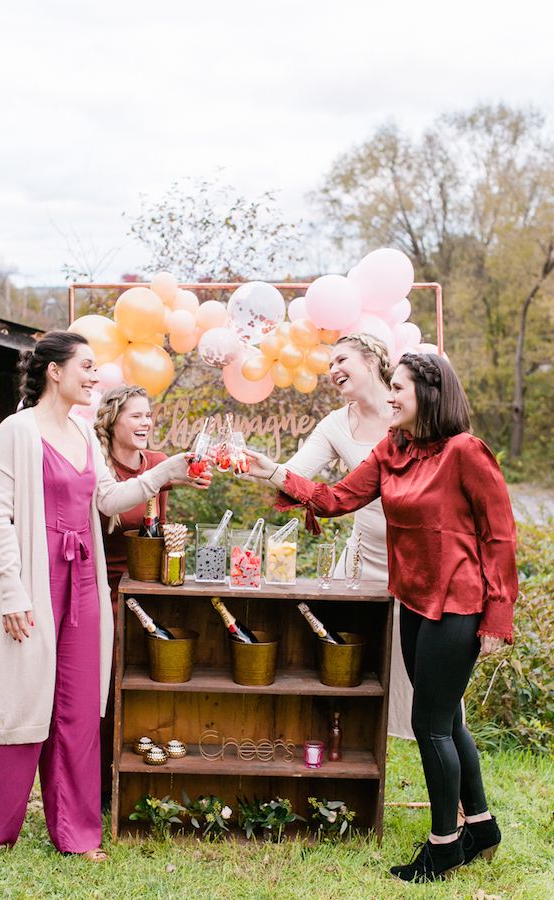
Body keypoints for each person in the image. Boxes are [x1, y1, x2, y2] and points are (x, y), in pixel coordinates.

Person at [245, 352, 516, 883]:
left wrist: (496, 619)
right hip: (412, 602)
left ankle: (444, 845)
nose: (390, 397)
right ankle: (481, 826)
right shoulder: (393, 448)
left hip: (458, 606)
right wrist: (270, 469)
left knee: (430, 725)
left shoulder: (466, 452)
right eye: (390, 387)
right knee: (447, 721)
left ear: (430, 396)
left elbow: (500, 536)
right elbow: (336, 497)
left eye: (401, 389)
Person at [0, 332, 209, 861]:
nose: (96, 376)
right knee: (25, 704)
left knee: (79, 709)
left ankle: (76, 832)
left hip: (85, 582)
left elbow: (109, 499)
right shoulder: (14, 431)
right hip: (36, 581)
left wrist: (165, 471)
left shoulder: (82, 434)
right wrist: (12, 592)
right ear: (54, 371)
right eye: (88, 366)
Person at [285, 332, 413, 740]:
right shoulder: (336, 424)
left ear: (373, 360)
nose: (333, 371)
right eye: (329, 366)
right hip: (361, 562)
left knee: (419, 674)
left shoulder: (413, 411)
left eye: (341, 360)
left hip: (414, 561)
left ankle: (460, 794)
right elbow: (296, 474)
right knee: (339, 658)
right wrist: (255, 467)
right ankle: (340, 750)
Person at [93, 384, 207, 795]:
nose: (146, 422)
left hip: (152, 587)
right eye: (136, 415)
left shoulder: (156, 462)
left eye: (149, 415)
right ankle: (101, 783)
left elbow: (191, 473)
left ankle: (146, 773)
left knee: (152, 678)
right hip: (104, 587)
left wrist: (203, 471)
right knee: (106, 683)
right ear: (112, 421)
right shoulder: (100, 466)